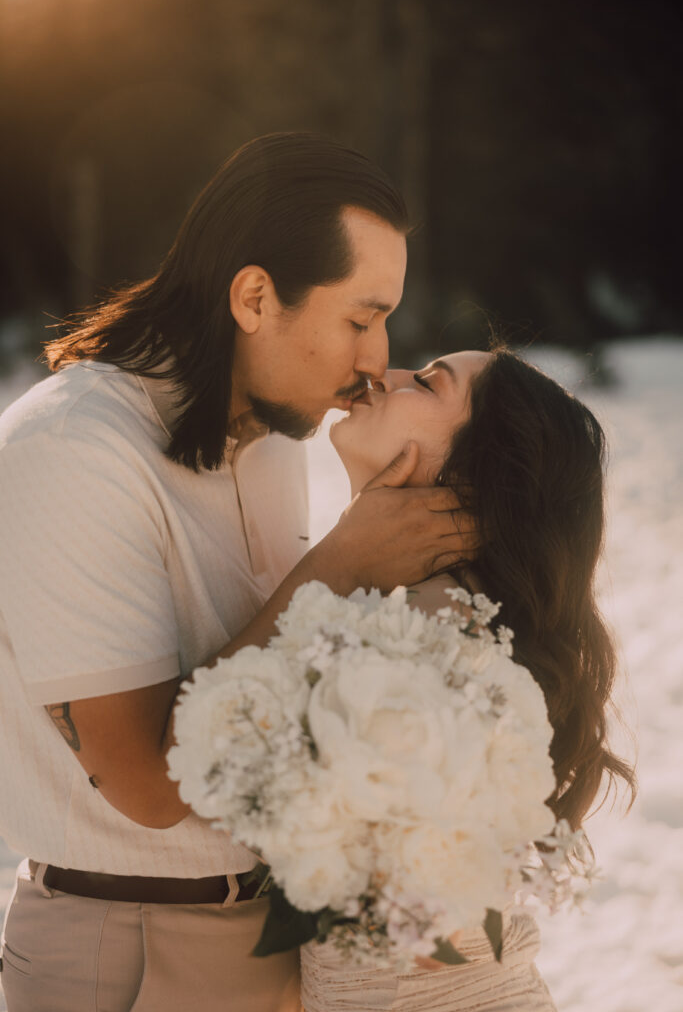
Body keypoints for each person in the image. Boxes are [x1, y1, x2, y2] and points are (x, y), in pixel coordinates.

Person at [0, 132, 473, 1012]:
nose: (376, 359)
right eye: (359, 320)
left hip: (273, 940)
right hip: (130, 945)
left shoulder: (272, 437)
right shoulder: (73, 452)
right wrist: (338, 567)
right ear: (254, 296)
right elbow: (147, 784)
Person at [298, 345, 636, 1011]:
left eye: (424, 384)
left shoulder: (433, 628)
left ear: (476, 475)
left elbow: (424, 912)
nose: (383, 375)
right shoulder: (413, 606)